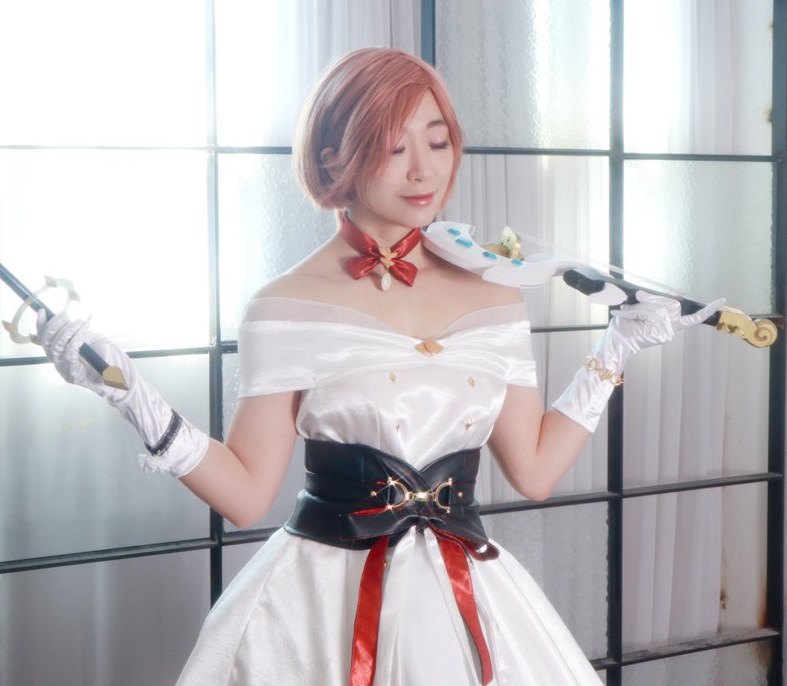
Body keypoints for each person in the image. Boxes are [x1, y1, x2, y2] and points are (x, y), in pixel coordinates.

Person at [37, 47, 722, 685]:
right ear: (333, 158)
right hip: (320, 602)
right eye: (394, 148)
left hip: (466, 589)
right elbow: (246, 496)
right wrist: (131, 396)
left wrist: (615, 350)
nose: (423, 171)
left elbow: (535, 471)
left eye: (438, 141)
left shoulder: (497, 295)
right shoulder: (284, 305)